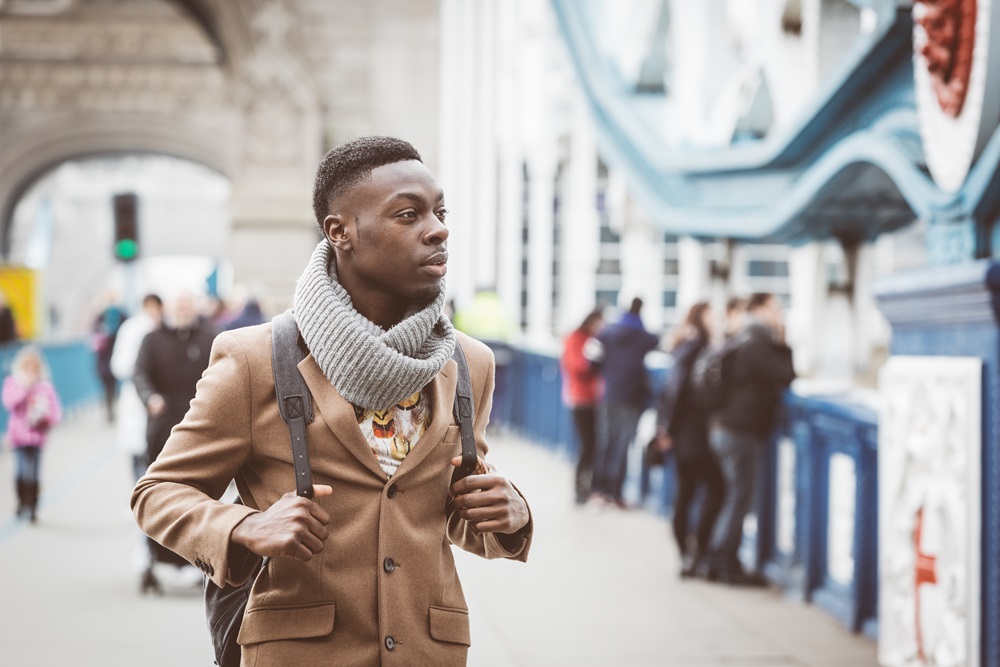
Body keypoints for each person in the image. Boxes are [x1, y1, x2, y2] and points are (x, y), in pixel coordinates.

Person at [131, 136, 532, 666]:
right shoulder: (255, 359)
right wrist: (244, 527)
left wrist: (511, 514)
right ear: (340, 232)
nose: (438, 229)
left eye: (439, 211)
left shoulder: (469, 363)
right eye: (409, 214)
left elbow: (448, 510)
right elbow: (158, 492)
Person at [706, 292, 795, 585]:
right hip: (740, 430)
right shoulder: (758, 342)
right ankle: (724, 562)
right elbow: (786, 373)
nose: (778, 313)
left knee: (733, 495)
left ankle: (718, 558)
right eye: (775, 308)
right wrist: (783, 339)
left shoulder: (739, 338)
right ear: (759, 310)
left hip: (722, 427)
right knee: (739, 498)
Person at [655, 302, 725, 577]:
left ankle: (687, 555)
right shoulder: (697, 347)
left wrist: (665, 428)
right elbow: (678, 391)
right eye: (712, 316)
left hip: (683, 432)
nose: (716, 321)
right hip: (692, 433)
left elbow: (670, 391)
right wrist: (667, 430)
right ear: (701, 319)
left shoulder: (684, 346)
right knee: (713, 488)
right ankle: (696, 552)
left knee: (686, 493)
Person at [591, 297, 660, 508]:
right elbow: (660, 342)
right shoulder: (645, 337)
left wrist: (607, 375)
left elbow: (592, 360)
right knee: (622, 445)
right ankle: (616, 492)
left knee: (604, 441)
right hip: (632, 396)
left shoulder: (606, 332)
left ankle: (597, 490)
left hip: (609, 393)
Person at [3, 347, 61, 523]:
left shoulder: (45, 386)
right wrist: (25, 387)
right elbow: (10, 403)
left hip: (36, 436)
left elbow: (56, 411)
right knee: (21, 471)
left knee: (34, 472)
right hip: (19, 436)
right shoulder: (13, 382)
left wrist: (46, 419)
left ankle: (33, 507)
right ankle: (21, 502)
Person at [110, 293, 164, 481]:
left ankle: (139, 493)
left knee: (143, 449)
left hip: (149, 395)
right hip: (140, 394)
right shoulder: (139, 328)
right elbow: (120, 365)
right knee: (144, 448)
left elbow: (117, 365)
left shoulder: (131, 327)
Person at [561, 308, 604, 504]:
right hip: (580, 399)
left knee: (594, 444)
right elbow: (576, 366)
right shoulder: (575, 338)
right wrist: (592, 362)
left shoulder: (594, 338)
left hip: (595, 398)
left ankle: (590, 486)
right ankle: (580, 488)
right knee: (586, 445)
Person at [92, 295, 128, 422]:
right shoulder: (123, 315)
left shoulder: (100, 317)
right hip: (117, 354)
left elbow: (93, 335)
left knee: (107, 387)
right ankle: (116, 410)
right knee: (117, 386)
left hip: (103, 357)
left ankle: (109, 412)